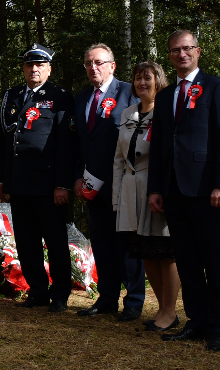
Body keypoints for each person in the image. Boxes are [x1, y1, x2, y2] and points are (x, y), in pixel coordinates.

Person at [148, 30, 220, 352]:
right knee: (186, 261)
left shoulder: (216, 87)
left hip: (207, 189)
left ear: (198, 52)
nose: (181, 54)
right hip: (173, 191)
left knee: (213, 260)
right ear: (169, 56)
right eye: (175, 51)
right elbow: (159, 145)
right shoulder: (167, 95)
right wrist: (156, 188)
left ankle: (218, 328)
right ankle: (196, 321)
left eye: (187, 49)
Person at [0, 43, 75, 312]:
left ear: (49, 69)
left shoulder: (60, 96)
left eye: (40, 65)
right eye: (30, 65)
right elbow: (4, 141)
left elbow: (65, 144)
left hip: (48, 185)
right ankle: (37, 291)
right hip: (19, 183)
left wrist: (62, 183)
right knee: (27, 243)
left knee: (56, 243)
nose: (34, 69)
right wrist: (0, 179)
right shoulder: (13, 96)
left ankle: (60, 294)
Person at [72, 43, 145, 320]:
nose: (94, 68)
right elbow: (79, 143)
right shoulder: (81, 99)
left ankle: (135, 301)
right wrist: (77, 176)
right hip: (92, 186)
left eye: (99, 63)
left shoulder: (129, 92)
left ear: (112, 66)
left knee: (128, 244)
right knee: (102, 243)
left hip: (124, 184)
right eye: (89, 63)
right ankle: (107, 298)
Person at [113, 61, 180, 332]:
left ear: (158, 81)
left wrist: (162, 190)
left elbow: (168, 155)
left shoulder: (166, 111)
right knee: (146, 252)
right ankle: (161, 309)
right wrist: (117, 197)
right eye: (138, 78)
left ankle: (170, 310)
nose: (142, 83)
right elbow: (119, 158)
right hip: (131, 191)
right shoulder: (127, 112)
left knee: (166, 252)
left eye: (148, 78)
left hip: (157, 190)